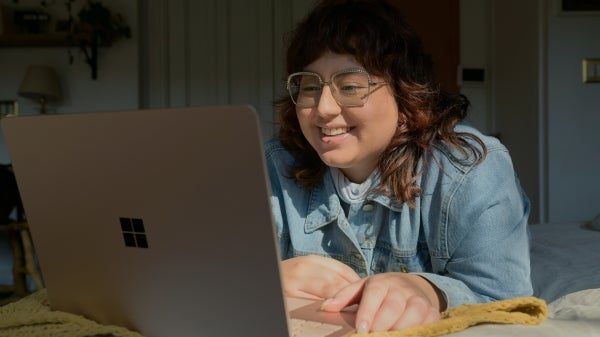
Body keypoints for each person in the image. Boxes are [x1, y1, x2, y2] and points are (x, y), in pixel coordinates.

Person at [264, 0, 532, 333]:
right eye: (310, 86)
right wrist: (267, 277)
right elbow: (206, 270)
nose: (324, 108)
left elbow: (507, 299)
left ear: (405, 95)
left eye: (350, 87)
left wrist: (428, 290)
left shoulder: (470, 169)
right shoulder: (274, 167)